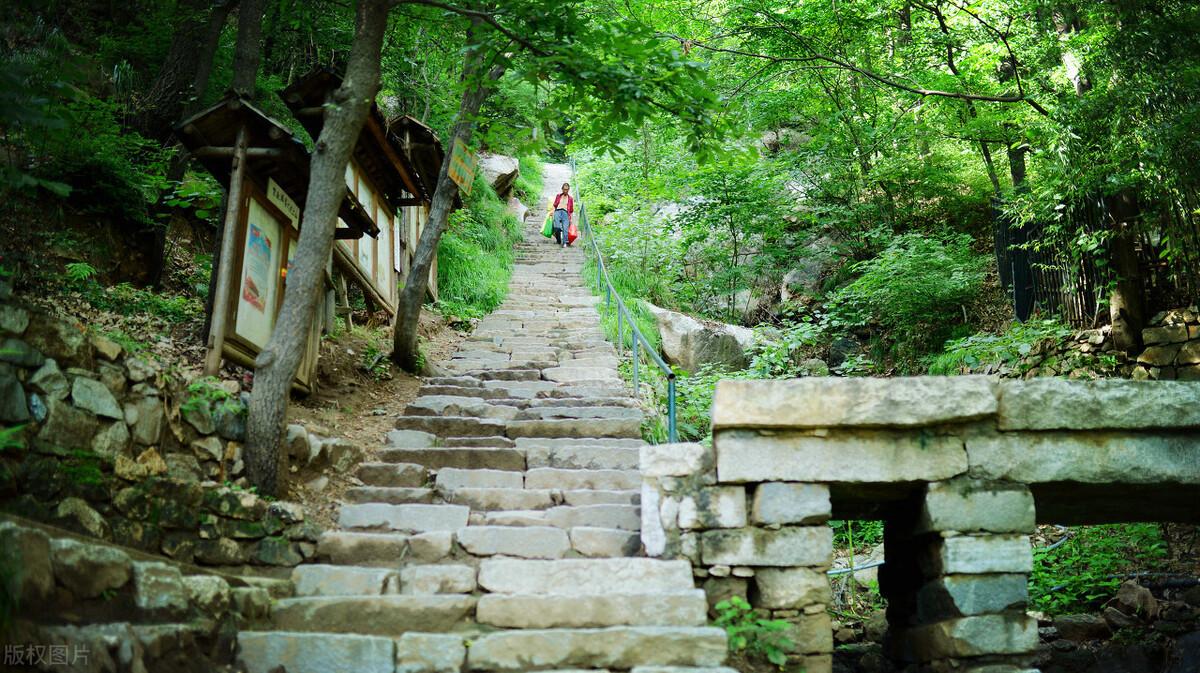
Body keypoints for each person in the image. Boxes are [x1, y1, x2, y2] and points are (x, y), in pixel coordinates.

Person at [551, 182, 573, 248]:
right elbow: (554, 205)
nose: (565, 191)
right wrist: (552, 212)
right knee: (556, 227)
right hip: (557, 211)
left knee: (565, 228)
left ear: (568, 190)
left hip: (565, 212)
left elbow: (571, 209)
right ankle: (558, 240)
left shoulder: (570, 198)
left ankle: (565, 242)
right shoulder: (558, 196)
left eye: (567, 189)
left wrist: (570, 218)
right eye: (564, 189)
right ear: (562, 189)